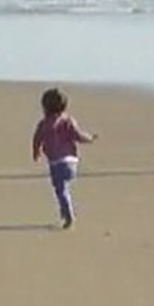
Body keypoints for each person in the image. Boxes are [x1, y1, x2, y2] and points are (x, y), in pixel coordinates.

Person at [32, 88, 98, 228]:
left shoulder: (44, 124)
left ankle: (67, 213)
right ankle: (64, 210)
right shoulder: (68, 121)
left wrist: (36, 151)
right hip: (71, 162)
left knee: (61, 189)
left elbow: (37, 138)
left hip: (56, 163)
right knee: (64, 187)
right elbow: (79, 136)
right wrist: (90, 138)